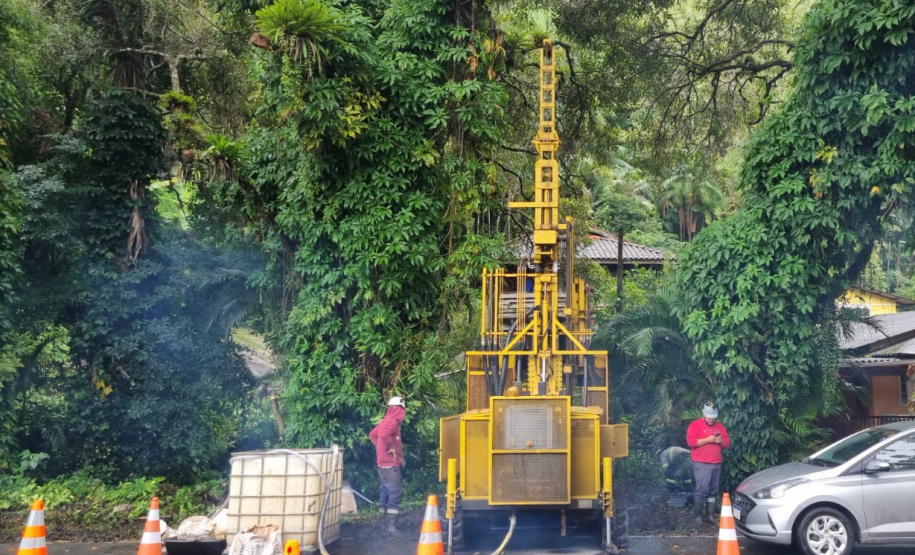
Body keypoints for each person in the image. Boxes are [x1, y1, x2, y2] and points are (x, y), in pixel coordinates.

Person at [686, 402, 730, 525]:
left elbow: (727, 444)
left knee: (713, 490)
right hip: (702, 462)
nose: (711, 420)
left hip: (716, 462)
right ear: (704, 414)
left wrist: (721, 441)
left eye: (713, 418)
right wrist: (708, 440)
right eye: (709, 417)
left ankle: (710, 516)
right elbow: (691, 442)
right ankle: (698, 516)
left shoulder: (720, 427)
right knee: (702, 488)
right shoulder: (695, 425)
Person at [369, 396, 406, 536]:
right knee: (395, 494)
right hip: (390, 466)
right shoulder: (392, 422)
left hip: (382, 466)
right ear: (399, 410)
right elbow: (384, 435)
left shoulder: (385, 421)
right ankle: (390, 528)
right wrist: (390, 447)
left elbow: (373, 435)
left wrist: (380, 448)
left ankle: (383, 526)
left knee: (385, 493)